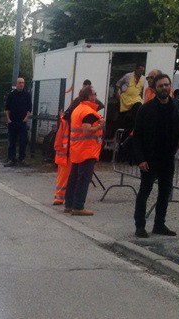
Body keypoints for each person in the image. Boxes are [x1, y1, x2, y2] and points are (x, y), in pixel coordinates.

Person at [132, 73, 179, 238]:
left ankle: (159, 224)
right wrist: (141, 159)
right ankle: (140, 225)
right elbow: (136, 136)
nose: (164, 88)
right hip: (150, 158)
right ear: (154, 89)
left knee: (165, 192)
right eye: (161, 86)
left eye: (166, 85)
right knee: (145, 191)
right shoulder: (145, 109)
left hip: (168, 157)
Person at [63, 85, 106, 216]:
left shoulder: (78, 109)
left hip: (78, 149)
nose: (96, 96)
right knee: (83, 179)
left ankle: (69, 204)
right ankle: (78, 206)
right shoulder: (89, 112)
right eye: (94, 94)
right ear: (89, 96)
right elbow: (86, 131)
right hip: (87, 150)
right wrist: (100, 125)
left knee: (74, 177)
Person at [4, 77, 32, 167]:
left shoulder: (27, 95)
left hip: (22, 122)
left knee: (23, 141)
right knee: (12, 141)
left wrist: (26, 118)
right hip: (13, 121)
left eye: (23, 82)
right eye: (20, 82)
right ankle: (12, 159)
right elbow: (7, 109)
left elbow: (29, 109)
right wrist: (8, 119)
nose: (21, 84)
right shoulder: (11, 95)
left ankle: (22, 159)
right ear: (16, 84)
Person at [115, 64, 145, 129]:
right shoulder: (128, 76)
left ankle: (134, 128)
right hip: (125, 99)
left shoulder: (143, 78)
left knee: (138, 108)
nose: (141, 72)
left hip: (136, 99)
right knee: (121, 117)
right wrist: (117, 93)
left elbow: (142, 90)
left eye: (142, 71)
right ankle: (118, 132)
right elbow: (118, 84)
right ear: (136, 69)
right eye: (140, 70)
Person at [52, 109, 70, 205]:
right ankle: (61, 197)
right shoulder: (66, 121)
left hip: (63, 152)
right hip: (67, 153)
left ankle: (59, 197)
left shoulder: (64, 121)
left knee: (62, 177)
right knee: (65, 176)